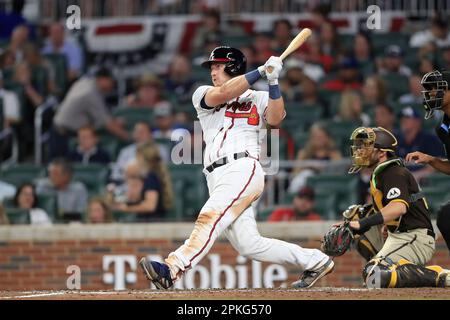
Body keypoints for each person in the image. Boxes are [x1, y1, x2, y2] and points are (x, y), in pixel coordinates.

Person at [139, 46, 334, 290]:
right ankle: (316, 261)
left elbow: (274, 120)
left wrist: (273, 81)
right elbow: (223, 94)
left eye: (218, 65)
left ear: (232, 66)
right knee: (249, 244)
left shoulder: (259, 97)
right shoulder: (203, 93)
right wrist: (261, 71)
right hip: (215, 174)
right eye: (212, 66)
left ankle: (173, 268)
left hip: (243, 166)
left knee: (209, 217)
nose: (213, 70)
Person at [343, 126, 449, 288]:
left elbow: (399, 207)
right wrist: (352, 223)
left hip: (415, 237)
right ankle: (384, 267)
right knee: (355, 215)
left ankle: (440, 276)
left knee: (374, 275)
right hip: (399, 235)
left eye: (366, 146)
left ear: (382, 152)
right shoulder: (381, 172)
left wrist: (362, 224)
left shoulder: (393, 172)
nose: (361, 150)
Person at [406, 70, 450, 253]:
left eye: (437, 89)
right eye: (430, 89)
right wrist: (431, 159)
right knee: (446, 217)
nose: (432, 93)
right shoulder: (443, 127)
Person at [50, 68, 129, 159]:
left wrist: (114, 121)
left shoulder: (85, 82)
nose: (112, 84)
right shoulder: (91, 92)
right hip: (63, 136)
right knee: (61, 166)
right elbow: (108, 124)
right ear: (102, 79)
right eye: (110, 81)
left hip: (61, 131)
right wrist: (128, 137)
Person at [112, 142, 173, 222]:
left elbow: (150, 206)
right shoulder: (151, 175)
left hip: (153, 224)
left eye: (137, 157)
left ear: (143, 158)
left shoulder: (151, 177)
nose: (136, 160)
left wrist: (126, 208)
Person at [397, 106, 445, 181]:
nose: (403, 121)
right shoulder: (398, 141)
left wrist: (418, 175)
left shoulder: (429, 139)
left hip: (426, 182)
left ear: (418, 122)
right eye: (402, 119)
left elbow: (440, 162)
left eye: (407, 118)